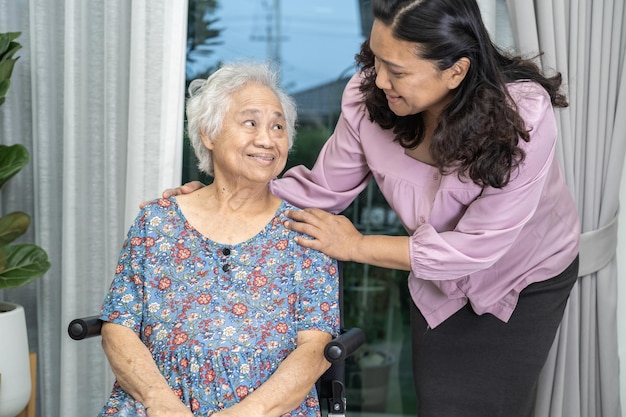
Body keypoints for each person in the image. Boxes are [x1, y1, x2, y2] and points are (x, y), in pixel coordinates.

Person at [162, 0, 581, 416]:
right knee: (440, 402)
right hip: (435, 275)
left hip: (524, 274)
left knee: (490, 407)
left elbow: (474, 248)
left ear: (456, 71)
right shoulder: (371, 98)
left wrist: (357, 245)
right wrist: (223, 195)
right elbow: (322, 190)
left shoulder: (522, 117)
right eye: (377, 59)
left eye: (397, 71)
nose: (380, 80)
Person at [99, 62, 340, 417]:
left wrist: (249, 412)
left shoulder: (306, 231)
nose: (267, 139)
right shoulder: (157, 221)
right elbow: (118, 327)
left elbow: (315, 347)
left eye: (278, 126)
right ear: (208, 134)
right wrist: (160, 403)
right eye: (250, 123)